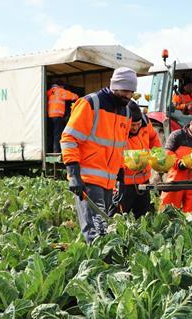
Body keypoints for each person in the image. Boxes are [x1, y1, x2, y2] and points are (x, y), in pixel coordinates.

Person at [60, 67, 137, 243]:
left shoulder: (126, 111)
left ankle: (100, 263)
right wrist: (73, 175)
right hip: (88, 179)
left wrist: (120, 172)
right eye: (125, 91)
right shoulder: (90, 103)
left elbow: (118, 146)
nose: (129, 96)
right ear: (114, 86)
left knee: (101, 229)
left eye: (132, 92)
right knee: (96, 231)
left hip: (108, 182)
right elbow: (69, 138)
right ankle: (98, 266)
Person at [160, 109, 192, 213]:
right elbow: (167, 153)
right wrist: (180, 163)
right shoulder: (177, 135)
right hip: (176, 178)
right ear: (191, 123)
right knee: (169, 210)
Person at [118, 102, 161, 218]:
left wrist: (158, 160)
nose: (136, 128)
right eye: (132, 125)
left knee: (144, 217)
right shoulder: (118, 128)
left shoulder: (146, 122)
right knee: (118, 218)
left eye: (138, 124)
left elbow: (153, 138)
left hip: (143, 181)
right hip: (124, 183)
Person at [47, 81, 79, 153]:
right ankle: (56, 151)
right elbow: (73, 96)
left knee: (50, 134)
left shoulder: (49, 92)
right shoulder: (60, 91)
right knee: (57, 135)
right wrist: (77, 96)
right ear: (61, 86)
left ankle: (49, 150)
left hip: (49, 117)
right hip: (57, 116)